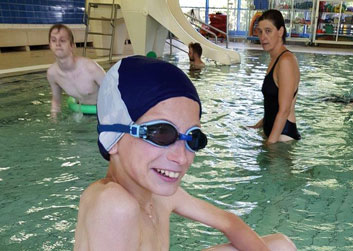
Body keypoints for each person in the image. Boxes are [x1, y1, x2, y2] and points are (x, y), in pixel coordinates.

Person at [74, 56, 296, 251]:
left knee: (280, 245)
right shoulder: (113, 204)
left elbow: (229, 222)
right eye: (162, 133)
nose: (181, 158)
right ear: (112, 137)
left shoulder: (157, 193)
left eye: (193, 138)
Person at [249, 10, 301, 145]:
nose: (263, 37)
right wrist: (257, 126)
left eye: (268, 31)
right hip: (273, 136)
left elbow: (284, 111)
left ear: (280, 31)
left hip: (282, 138)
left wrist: (269, 145)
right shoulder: (275, 59)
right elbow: (273, 105)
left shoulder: (286, 61)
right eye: (260, 32)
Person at [47, 24, 105, 118]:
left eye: (62, 40)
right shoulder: (52, 74)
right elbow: (56, 101)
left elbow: (114, 93)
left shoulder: (91, 68)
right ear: (50, 45)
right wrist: (54, 119)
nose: (58, 44)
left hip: (102, 113)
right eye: (54, 40)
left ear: (72, 46)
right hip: (81, 113)